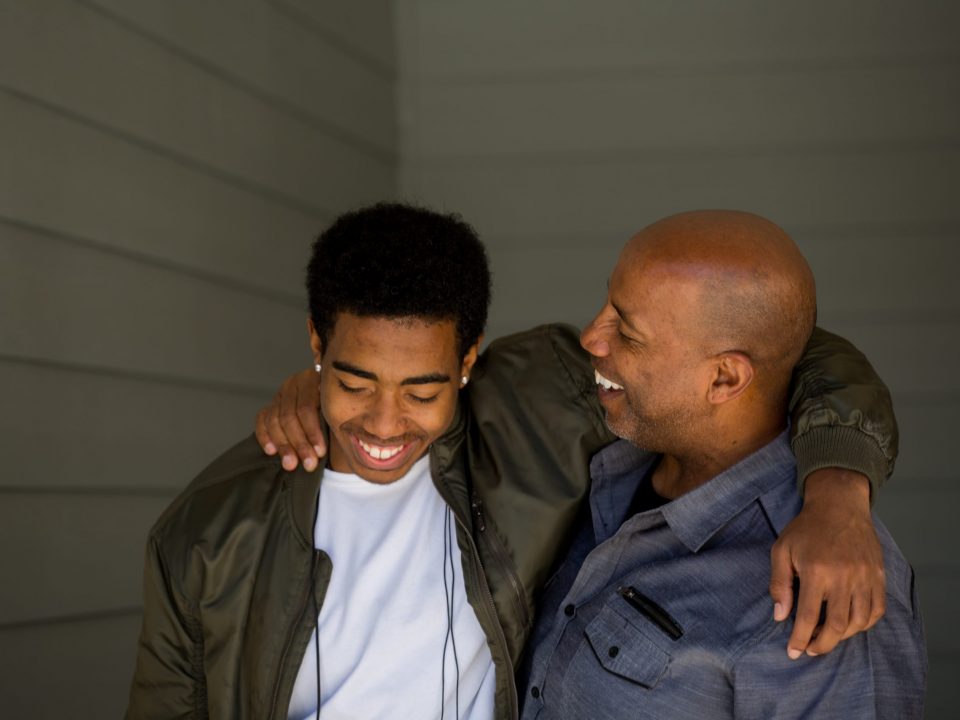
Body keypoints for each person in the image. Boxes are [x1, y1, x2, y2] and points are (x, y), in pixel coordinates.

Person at [129, 203, 897, 720]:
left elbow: (786, 347)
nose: (385, 422)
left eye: (422, 388)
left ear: (468, 361)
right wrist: (327, 391)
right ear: (316, 345)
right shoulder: (207, 532)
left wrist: (838, 489)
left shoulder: (535, 407)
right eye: (356, 380)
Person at [514, 210, 925, 718]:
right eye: (607, 307)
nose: (591, 338)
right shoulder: (603, 452)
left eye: (628, 331)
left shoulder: (826, 593)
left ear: (725, 378)